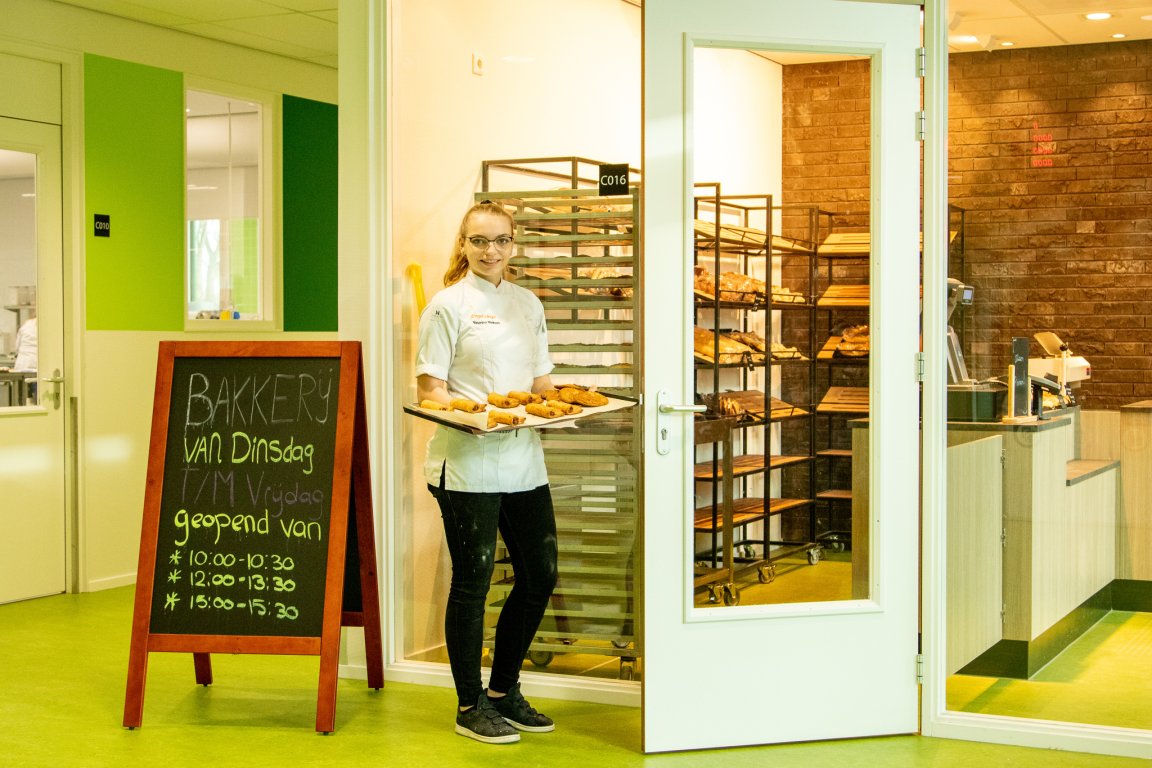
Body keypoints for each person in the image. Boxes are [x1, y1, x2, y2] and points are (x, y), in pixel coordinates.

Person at [415, 200, 559, 745]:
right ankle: (469, 704)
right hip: (467, 464)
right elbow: (430, 391)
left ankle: (503, 690)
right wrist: (473, 414)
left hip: (523, 461)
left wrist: (566, 403)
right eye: (478, 240)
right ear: (463, 245)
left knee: (540, 574)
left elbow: (541, 383)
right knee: (473, 582)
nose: (490, 250)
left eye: (500, 240)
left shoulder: (528, 304)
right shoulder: (446, 306)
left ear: (513, 244)